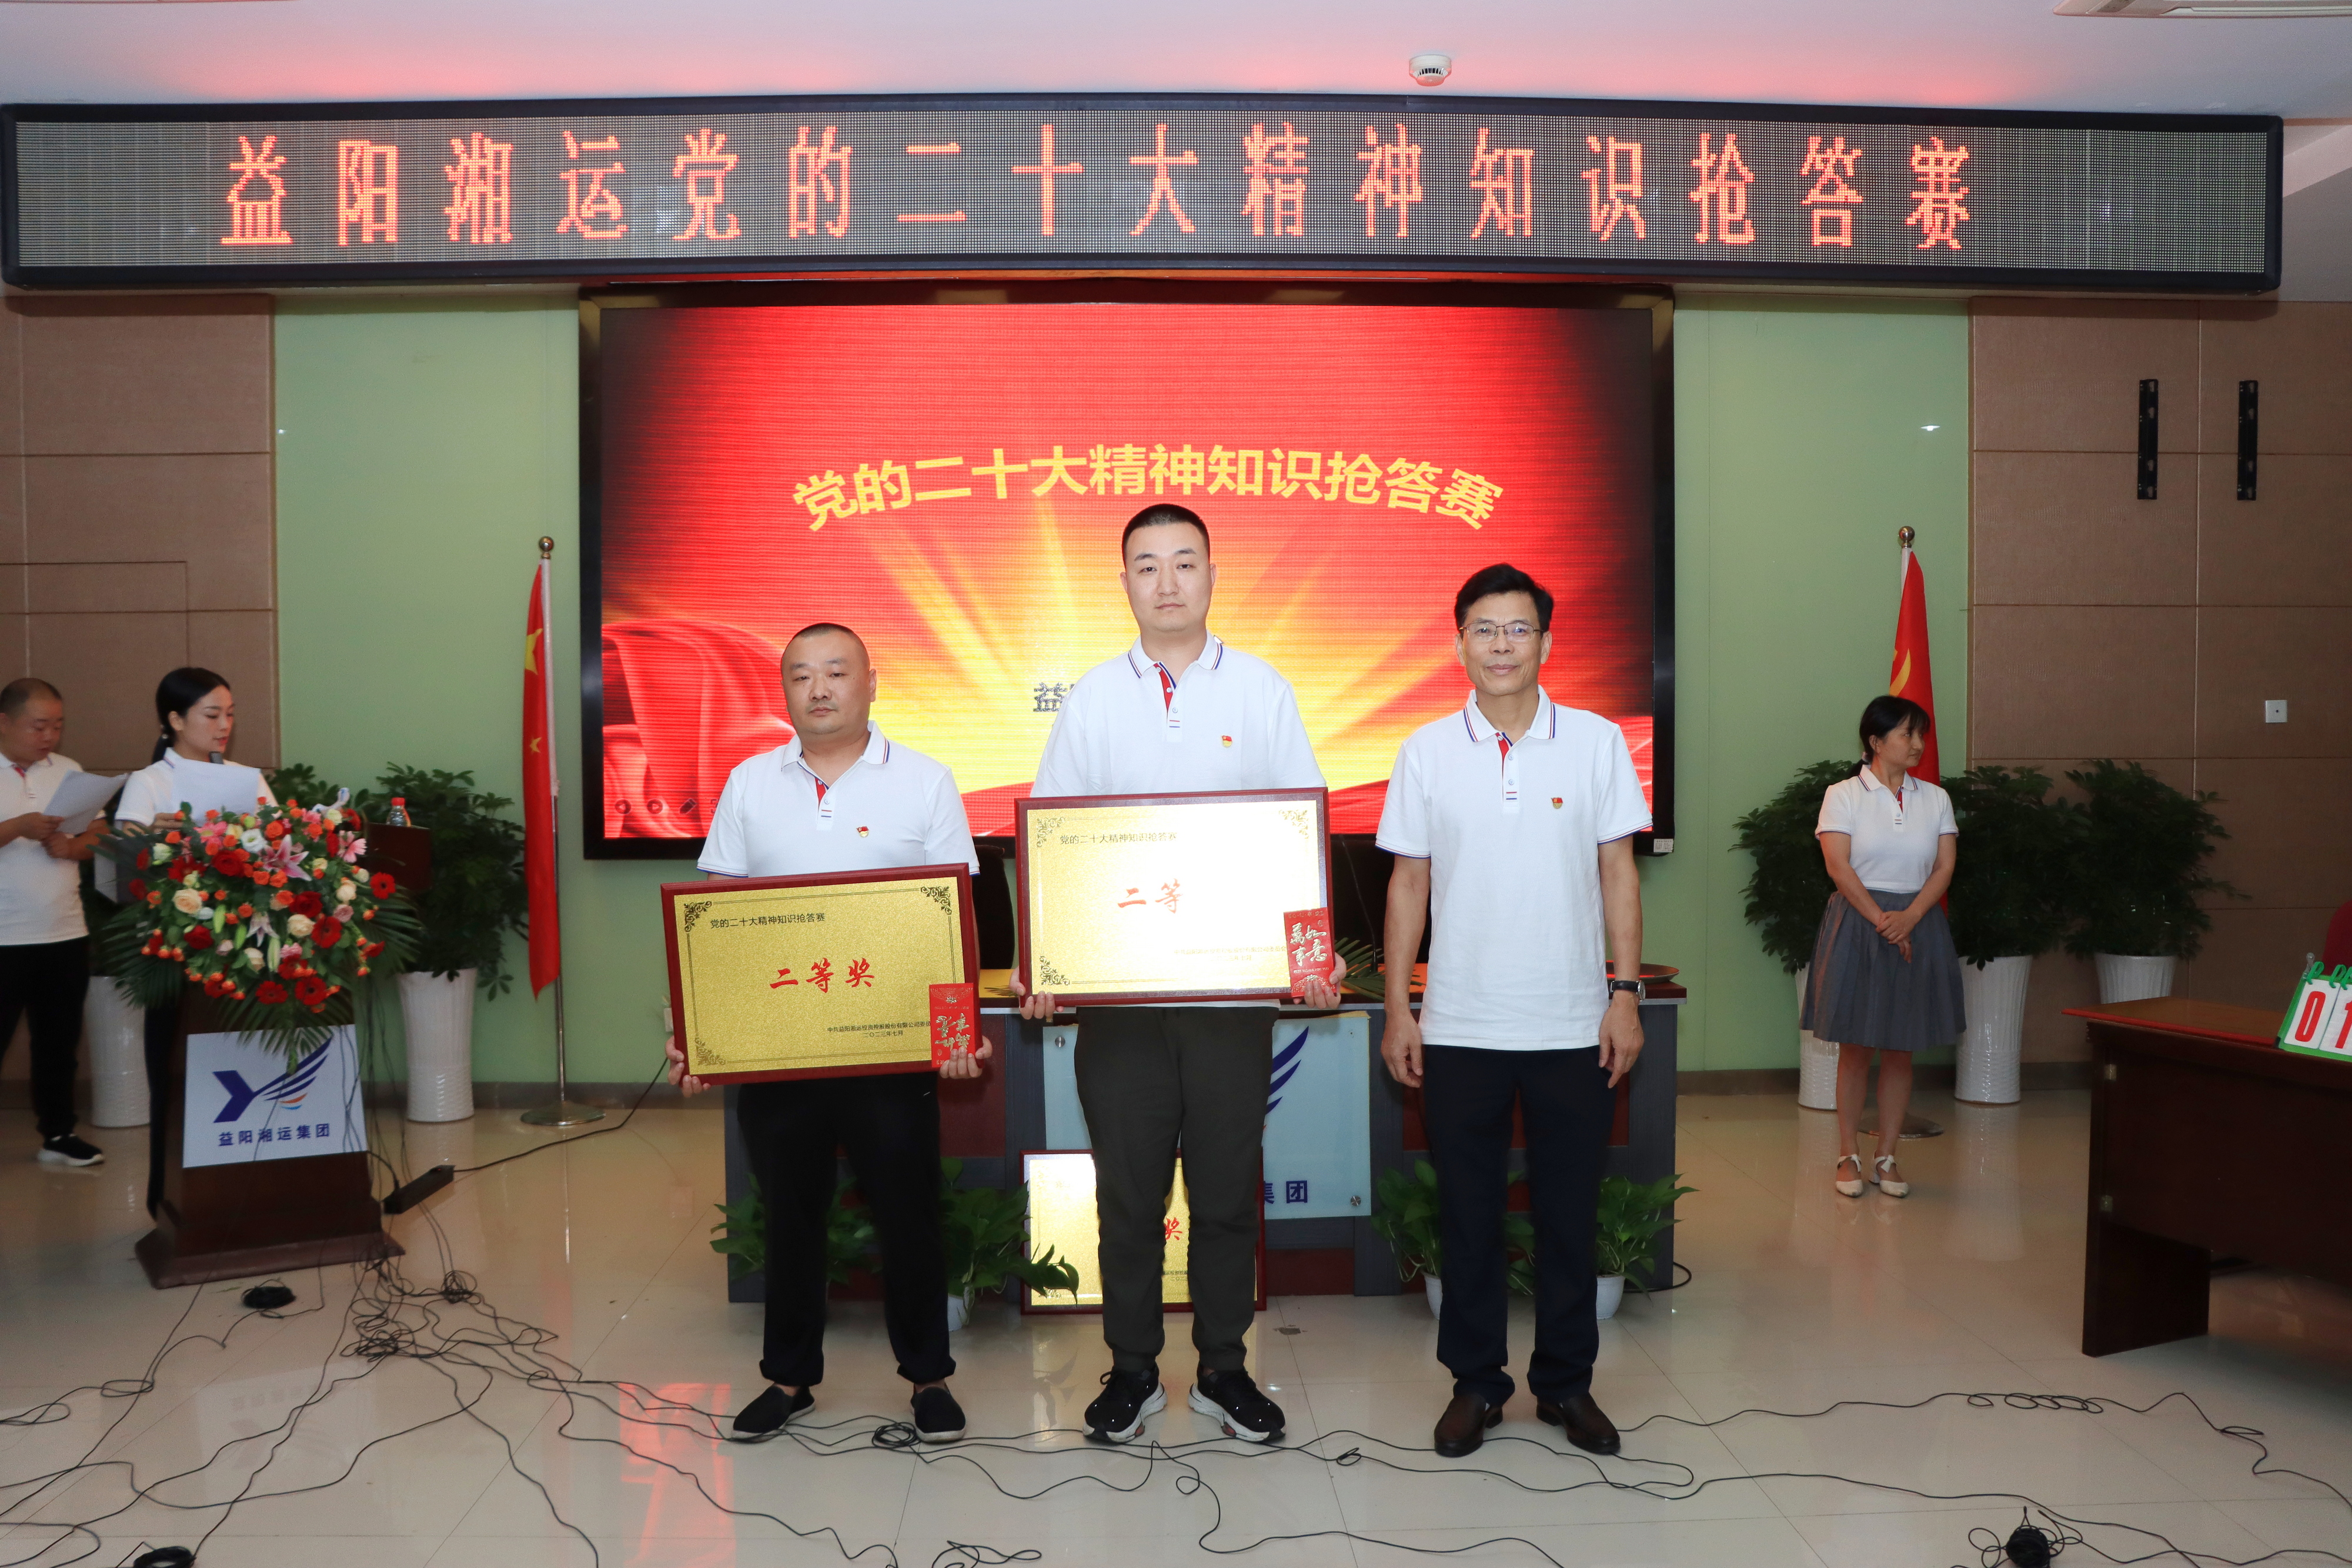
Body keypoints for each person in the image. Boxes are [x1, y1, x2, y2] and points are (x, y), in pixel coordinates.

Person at [1019, 503, 1344, 1447]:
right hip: (1120, 1005)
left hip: (1227, 1002)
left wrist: (1312, 960)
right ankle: (1130, 1369)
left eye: (1185, 562)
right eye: (1147, 564)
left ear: (1211, 574)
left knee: (1227, 1193)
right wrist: (1047, 961)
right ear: (1124, 581)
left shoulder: (1261, 690)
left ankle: (1223, 1369)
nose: (1167, 582)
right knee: (1128, 1197)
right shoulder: (1092, 699)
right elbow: (1056, 841)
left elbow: (1298, 833)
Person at [663, 623, 989, 1446]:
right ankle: (789, 1377)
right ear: (784, 692)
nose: (819, 688)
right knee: (790, 1216)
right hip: (781, 1051)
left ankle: (928, 1378)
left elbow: (951, 918)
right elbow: (714, 926)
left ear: (871, 682)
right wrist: (698, 1035)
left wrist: (957, 1034)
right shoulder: (749, 783)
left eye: (837, 671)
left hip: (889, 1047)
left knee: (908, 1213)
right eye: (802, 675)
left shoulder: (924, 780)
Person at [1375, 564, 1651, 1460]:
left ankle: (1566, 1383)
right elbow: (1408, 882)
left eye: (1519, 628)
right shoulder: (1425, 749)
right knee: (1470, 1217)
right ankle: (1477, 1385)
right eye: (1485, 629)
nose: (1502, 644)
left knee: (1570, 1214)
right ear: (1460, 641)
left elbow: (1619, 872)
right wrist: (1399, 1007)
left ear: (1546, 640)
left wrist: (1625, 993)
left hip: (1575, 1023)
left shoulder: (1597, 741)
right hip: (1459, 1025)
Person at [112, 668, 275, 1218]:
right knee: (177, 1078)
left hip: (244, 951)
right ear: (176, 720)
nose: (224, 724)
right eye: (212, 714)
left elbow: (282, 847)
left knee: (245, 1075)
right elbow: (127, 865)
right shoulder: (149, 782)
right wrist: (156, 836)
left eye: (230, 713)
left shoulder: (247, 779)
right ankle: (170, 1201)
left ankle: (246, 1193)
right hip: (174, 957)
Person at [1806, 695, 1962, 1201]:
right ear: (1876, 741)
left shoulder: (1935, 798)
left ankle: (1887, 1156)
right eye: (1907, 734)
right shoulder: (1843, 794)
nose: (1918, 744)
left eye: (1922, 735)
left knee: (1901, 1048)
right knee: (1855, 1048)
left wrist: (1910, 918)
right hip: (1859, 924)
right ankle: (1848, 1153)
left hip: (1917, 923)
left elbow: (1944, 866)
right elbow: (1838, 866)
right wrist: (1882, 920)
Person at [0, 679, 109, 1166]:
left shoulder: (68, 771)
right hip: (4, 935)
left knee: (59, 1043)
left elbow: (99, 832)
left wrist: (73, 846)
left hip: (64, 930)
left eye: (57, 726)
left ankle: (59, 1134)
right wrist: (17, 827)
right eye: (39, 726)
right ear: (4, 722)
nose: (49, 736)